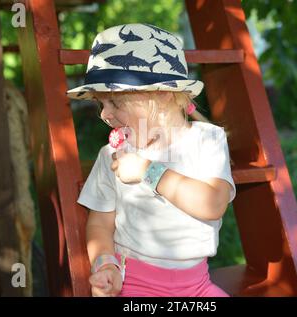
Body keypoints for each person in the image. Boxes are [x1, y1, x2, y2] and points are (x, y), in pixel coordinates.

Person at [66, 23, 236, 297]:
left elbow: (213, 204)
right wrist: (105, 264)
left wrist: (149, 171)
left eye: (115, 103)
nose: (104, 115)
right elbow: (100, 222)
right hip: (134, 284)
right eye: (101, 104)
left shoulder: (207, 141)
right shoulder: (112, 155)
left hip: (197, 287)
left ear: (162, 94)